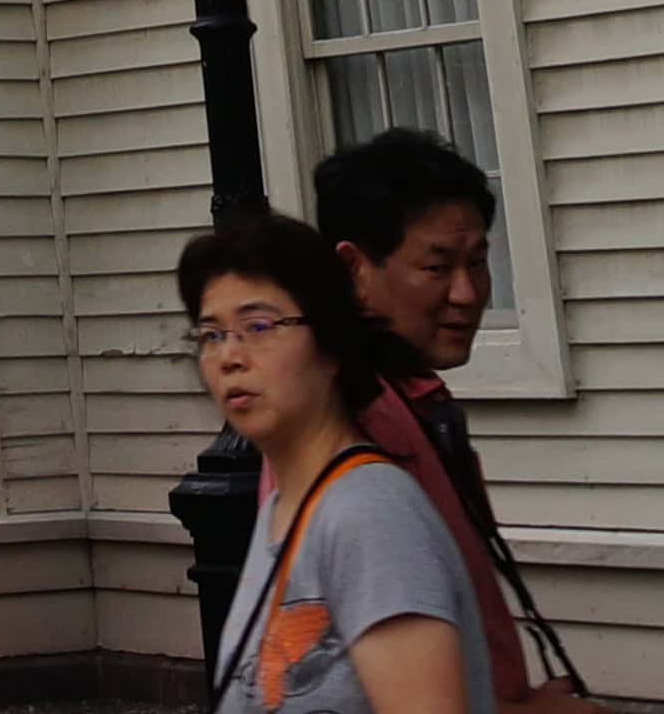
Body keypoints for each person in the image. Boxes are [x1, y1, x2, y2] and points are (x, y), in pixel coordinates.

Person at [177, 209, 487, 714]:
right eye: (212, 334)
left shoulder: (370, 514)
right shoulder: (287, 504)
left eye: (258, 326)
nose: (229, 356)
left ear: (332, 342)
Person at [313, 132, 584, 705]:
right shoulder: (347, 429)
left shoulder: (415, 403)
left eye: (479, 263)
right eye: (437, 267)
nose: (468, 293)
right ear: (354, 269)